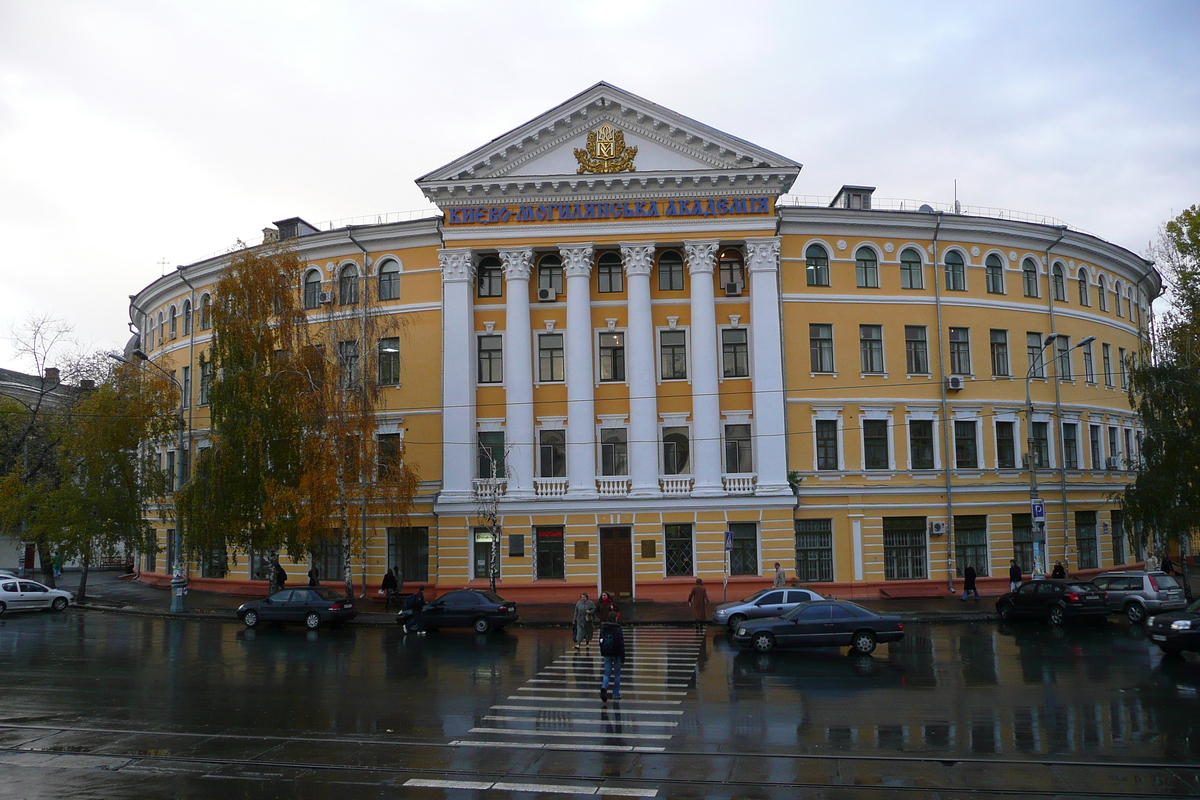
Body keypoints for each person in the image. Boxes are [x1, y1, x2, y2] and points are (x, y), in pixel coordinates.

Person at [598, 611, 625, 702]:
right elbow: (620, 642)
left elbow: (600, 640)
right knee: (617, 673)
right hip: (616, 653)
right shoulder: (617, 628)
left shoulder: (603, 627)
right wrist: (622, 656)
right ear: (615, 618)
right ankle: (615, 694)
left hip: (606, 652)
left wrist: (603, 651)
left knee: (607, 673)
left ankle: (604, 686)